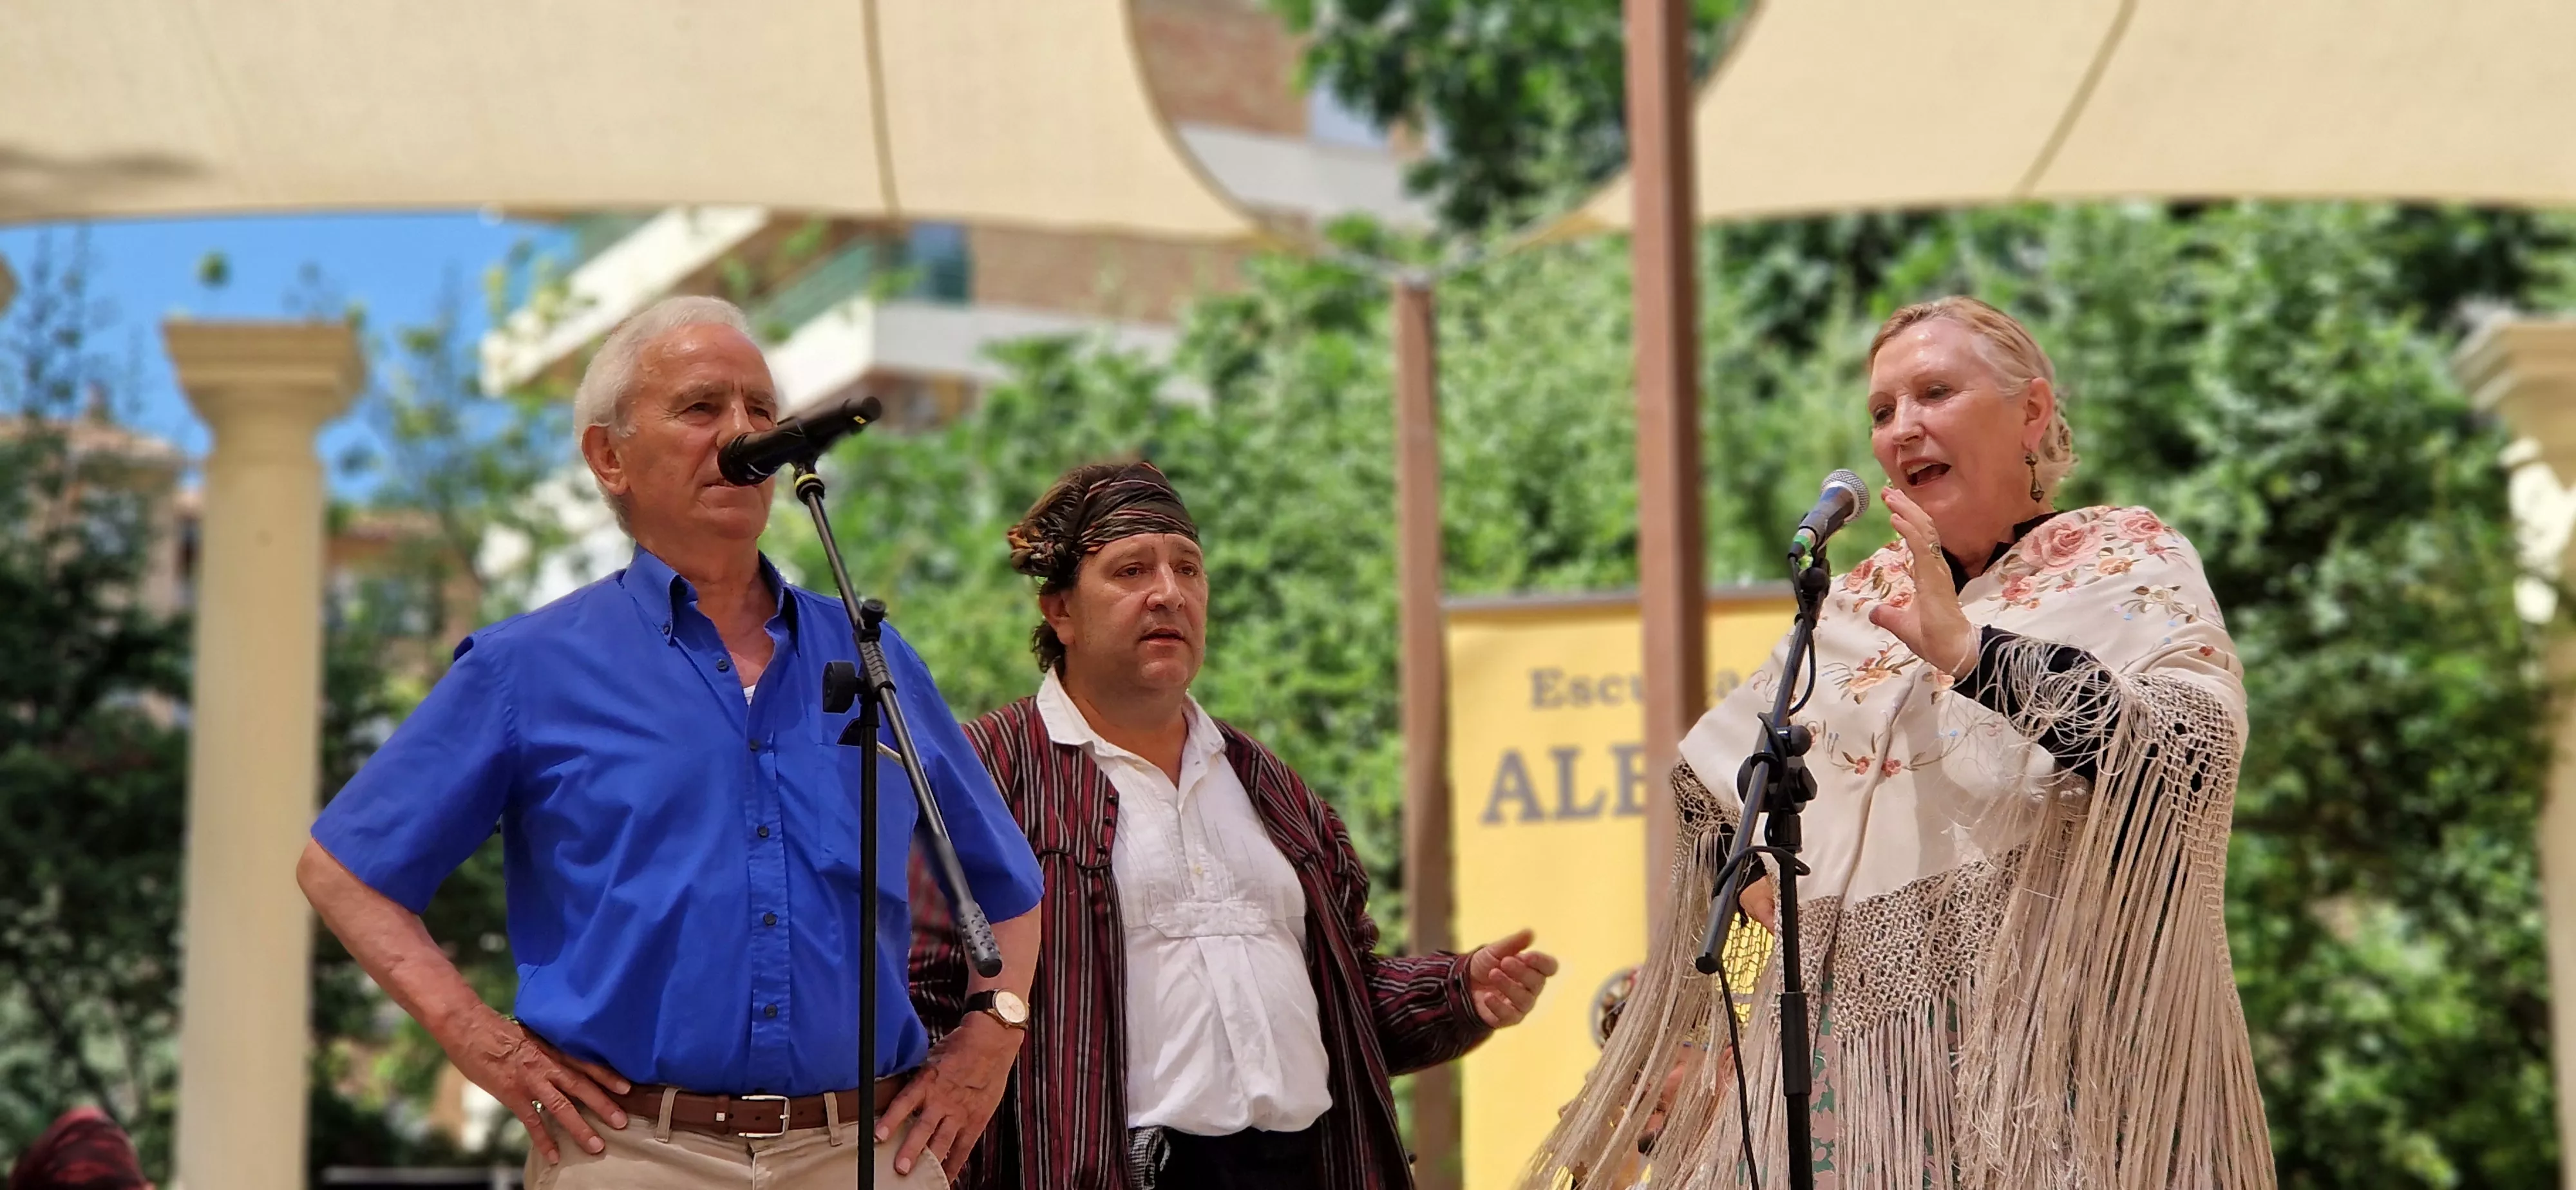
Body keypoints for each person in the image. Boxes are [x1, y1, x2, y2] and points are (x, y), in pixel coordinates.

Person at [1526, 297, 2274, 1189]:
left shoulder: (2122, 555)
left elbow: (2186, 753)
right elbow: (1712, 779)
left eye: (1934, 393)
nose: (1902, 428)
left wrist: (1975, 655)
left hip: (2055, 1055)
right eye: (1883, 411)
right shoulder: (1854, 603)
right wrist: (1757, 873)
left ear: (2032, 412)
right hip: (1858, 1081)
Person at [299, 296, 1045, 1190]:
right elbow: (343, 871)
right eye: (700, 408)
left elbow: (1007, 887)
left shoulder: (873, 656)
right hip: (630, 1153)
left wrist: (993, 1034)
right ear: (608, 457)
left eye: (760, 409)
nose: (742, 433)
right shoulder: (525, 668)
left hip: (866, 1150)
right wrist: (483, 1044)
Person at [910, 462, 1558, 1189]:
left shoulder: (1271, 787)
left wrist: (1458, 991)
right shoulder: (987, 775)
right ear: (1060, 611)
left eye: (1188, 569)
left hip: (1308, 1167)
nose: (1169, 593)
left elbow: (1346, 1004)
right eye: (1131, 571)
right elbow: (917, 996)